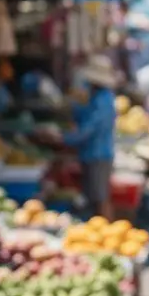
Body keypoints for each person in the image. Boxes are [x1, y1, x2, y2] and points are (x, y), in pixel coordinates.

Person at [62, 55, 119, 220]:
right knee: (93, 196)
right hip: (90, 153)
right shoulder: (94, 96)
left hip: (99, 154)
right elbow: (82, 116)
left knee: (100, 197)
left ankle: (107, 232)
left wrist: (65, 138)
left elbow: (90, 128)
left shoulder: (104, 100)